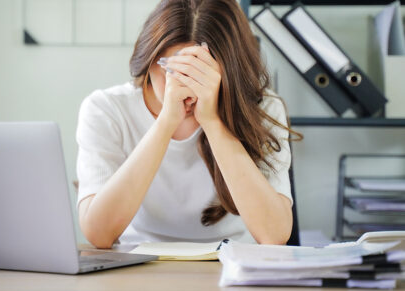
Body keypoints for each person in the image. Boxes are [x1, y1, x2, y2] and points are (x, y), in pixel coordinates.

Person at [76, 0, 302, 249]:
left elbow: (275, 235)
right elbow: (99, 233)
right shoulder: (106, 109)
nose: (185, 88)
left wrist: (213, 122)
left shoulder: (264, 109)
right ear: (149, 61)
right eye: (172, 71)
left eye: (200, 74)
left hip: (233, 261)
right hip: (137, 261)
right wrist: (166, 123)